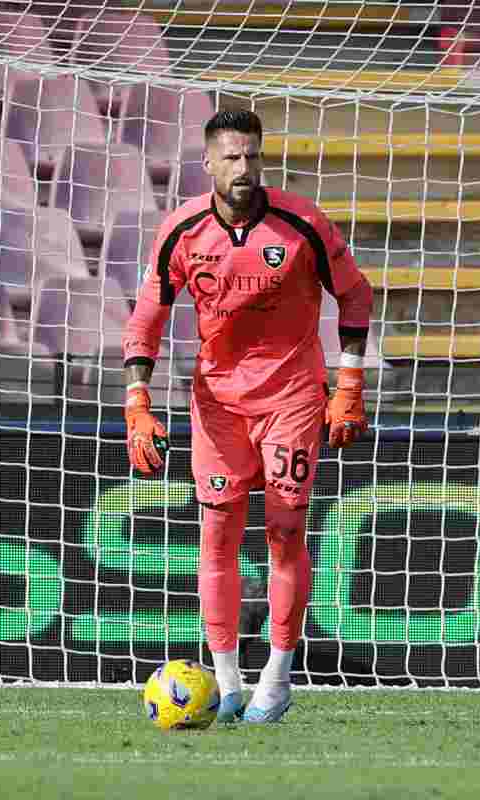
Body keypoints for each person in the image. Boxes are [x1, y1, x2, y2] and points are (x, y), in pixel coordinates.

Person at [122, 109, 373, 723]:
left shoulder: (301, 223)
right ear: (208, 163)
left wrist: (349, 384)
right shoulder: (182, 231)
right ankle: (228, 683)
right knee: (217, 536)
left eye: (253, 156)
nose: (245, 168)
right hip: (217, 406)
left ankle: (278, 676)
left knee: (285, 531)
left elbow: (356, 294)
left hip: (292, 398)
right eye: (232, 157)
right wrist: (137, 399)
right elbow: (148, 317)